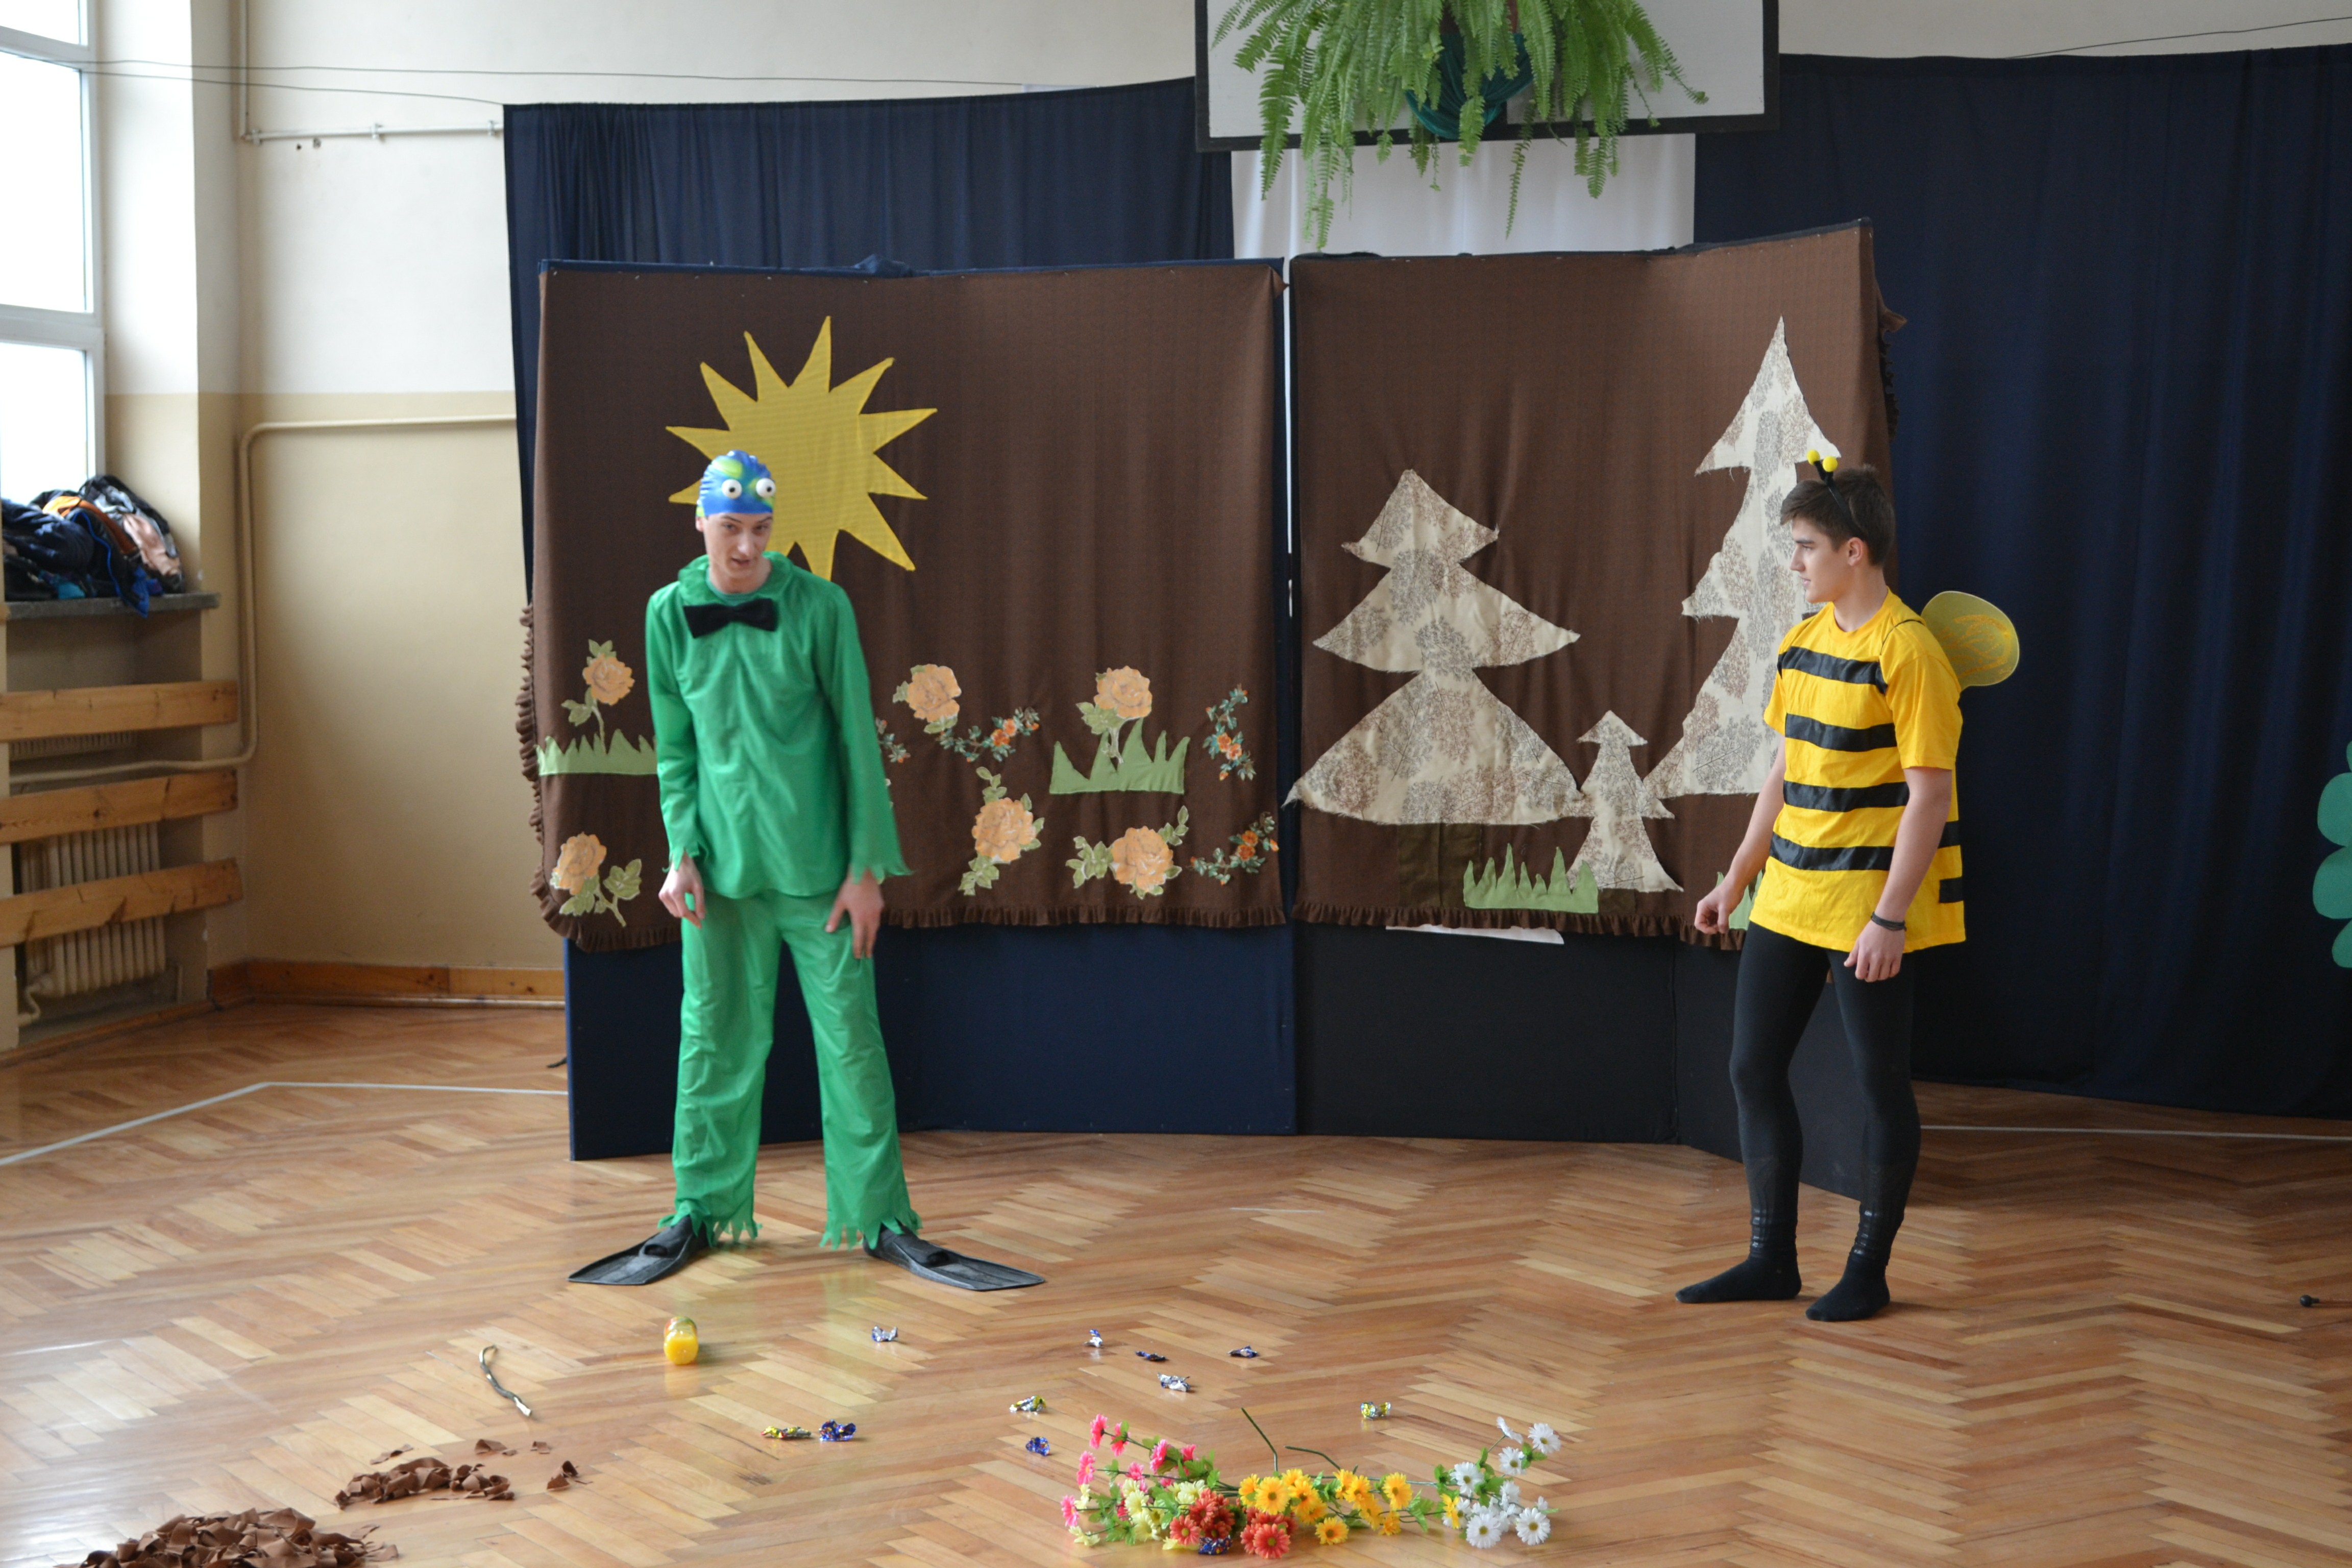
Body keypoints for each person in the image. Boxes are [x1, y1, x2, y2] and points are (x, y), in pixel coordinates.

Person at [569, 449, 1038, 1291]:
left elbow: (858, 741)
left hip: (820, 874)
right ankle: (698, 1209)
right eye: (730, 527)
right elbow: (675, 752)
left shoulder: (822, 607)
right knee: (711, 1042)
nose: (747, 546)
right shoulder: (668, 613)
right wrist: (681, 856)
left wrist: (865, 869)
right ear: (700, 522)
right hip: (720, 876)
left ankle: (881, 1216)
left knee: (852, 1044)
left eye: (760, 529)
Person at [1684, 454, 1963, 1322]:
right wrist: (1736, 878)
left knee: (1879, 1083)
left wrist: (1889, 919)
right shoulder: (1801, 643)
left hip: (1865, 909)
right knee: (1752, 1067)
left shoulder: (1909, 652)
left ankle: (1869, 1270)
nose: (1794, 561)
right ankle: (1771, 1260)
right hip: (1790, 896)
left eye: (1805, 545)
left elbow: (1931, 797)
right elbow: (1784, 772)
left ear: (1854, 551)